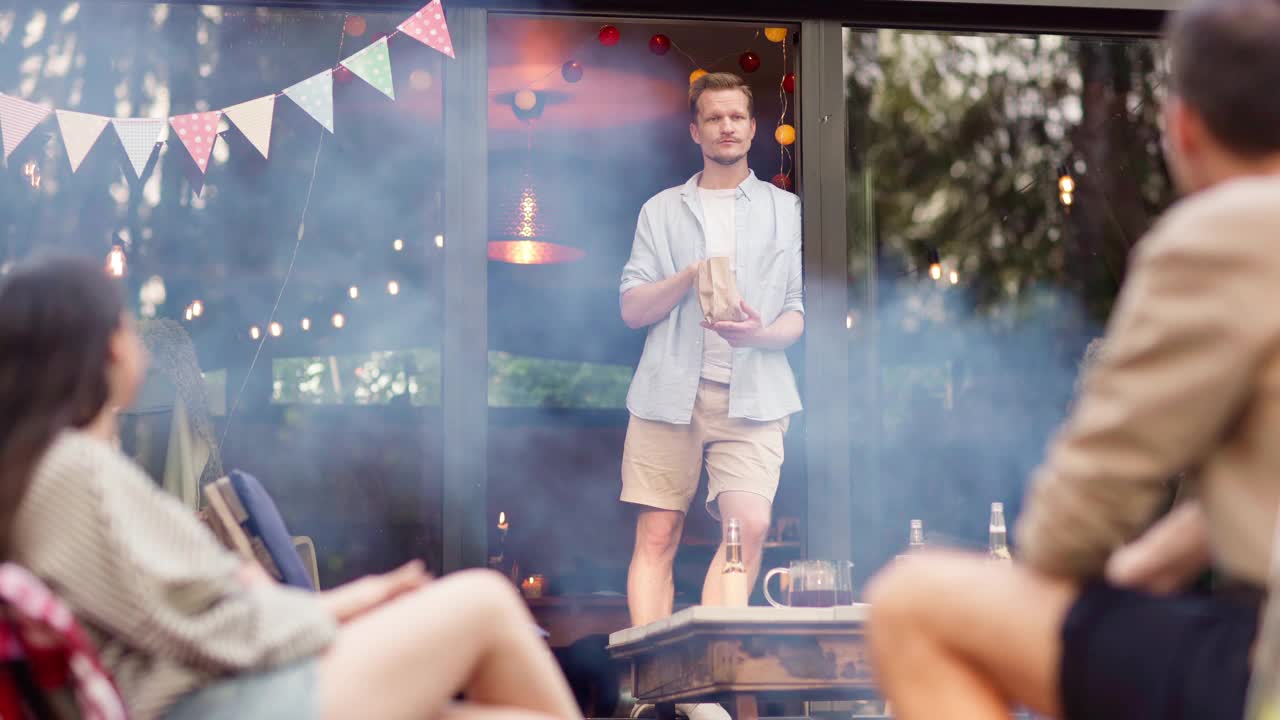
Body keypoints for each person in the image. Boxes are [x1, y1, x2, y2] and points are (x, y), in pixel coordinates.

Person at [865, 0, 1280, 717]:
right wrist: (1146, 569)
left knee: (913, 600)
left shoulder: (1227, 232)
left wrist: (1063, 574)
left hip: (1262, 662)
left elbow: (1072, 526)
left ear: (1183, 126)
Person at [0, 257, 582, 720]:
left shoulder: (58, 469)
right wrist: (355, 604)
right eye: (127, 324)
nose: (140, 340)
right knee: (483, 598)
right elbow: (205, 627)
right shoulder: (72, 471)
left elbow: (189, 609)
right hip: (211, 704)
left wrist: (349, 604)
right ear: (103, 347)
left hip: (221, 690)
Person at [619, 71, 803, 719]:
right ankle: (655, 691)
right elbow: (633, 308)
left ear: (752, 128)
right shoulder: (661, 210)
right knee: (659, 534)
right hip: (669, 392)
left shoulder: (787, 210)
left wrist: (757, 335)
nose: (727, 126)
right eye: (713, 117)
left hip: (755, 392)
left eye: (737, 116)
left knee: (745, 527)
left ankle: (701, 688)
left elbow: (796, 317)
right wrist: (688, 278)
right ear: (694, 131)